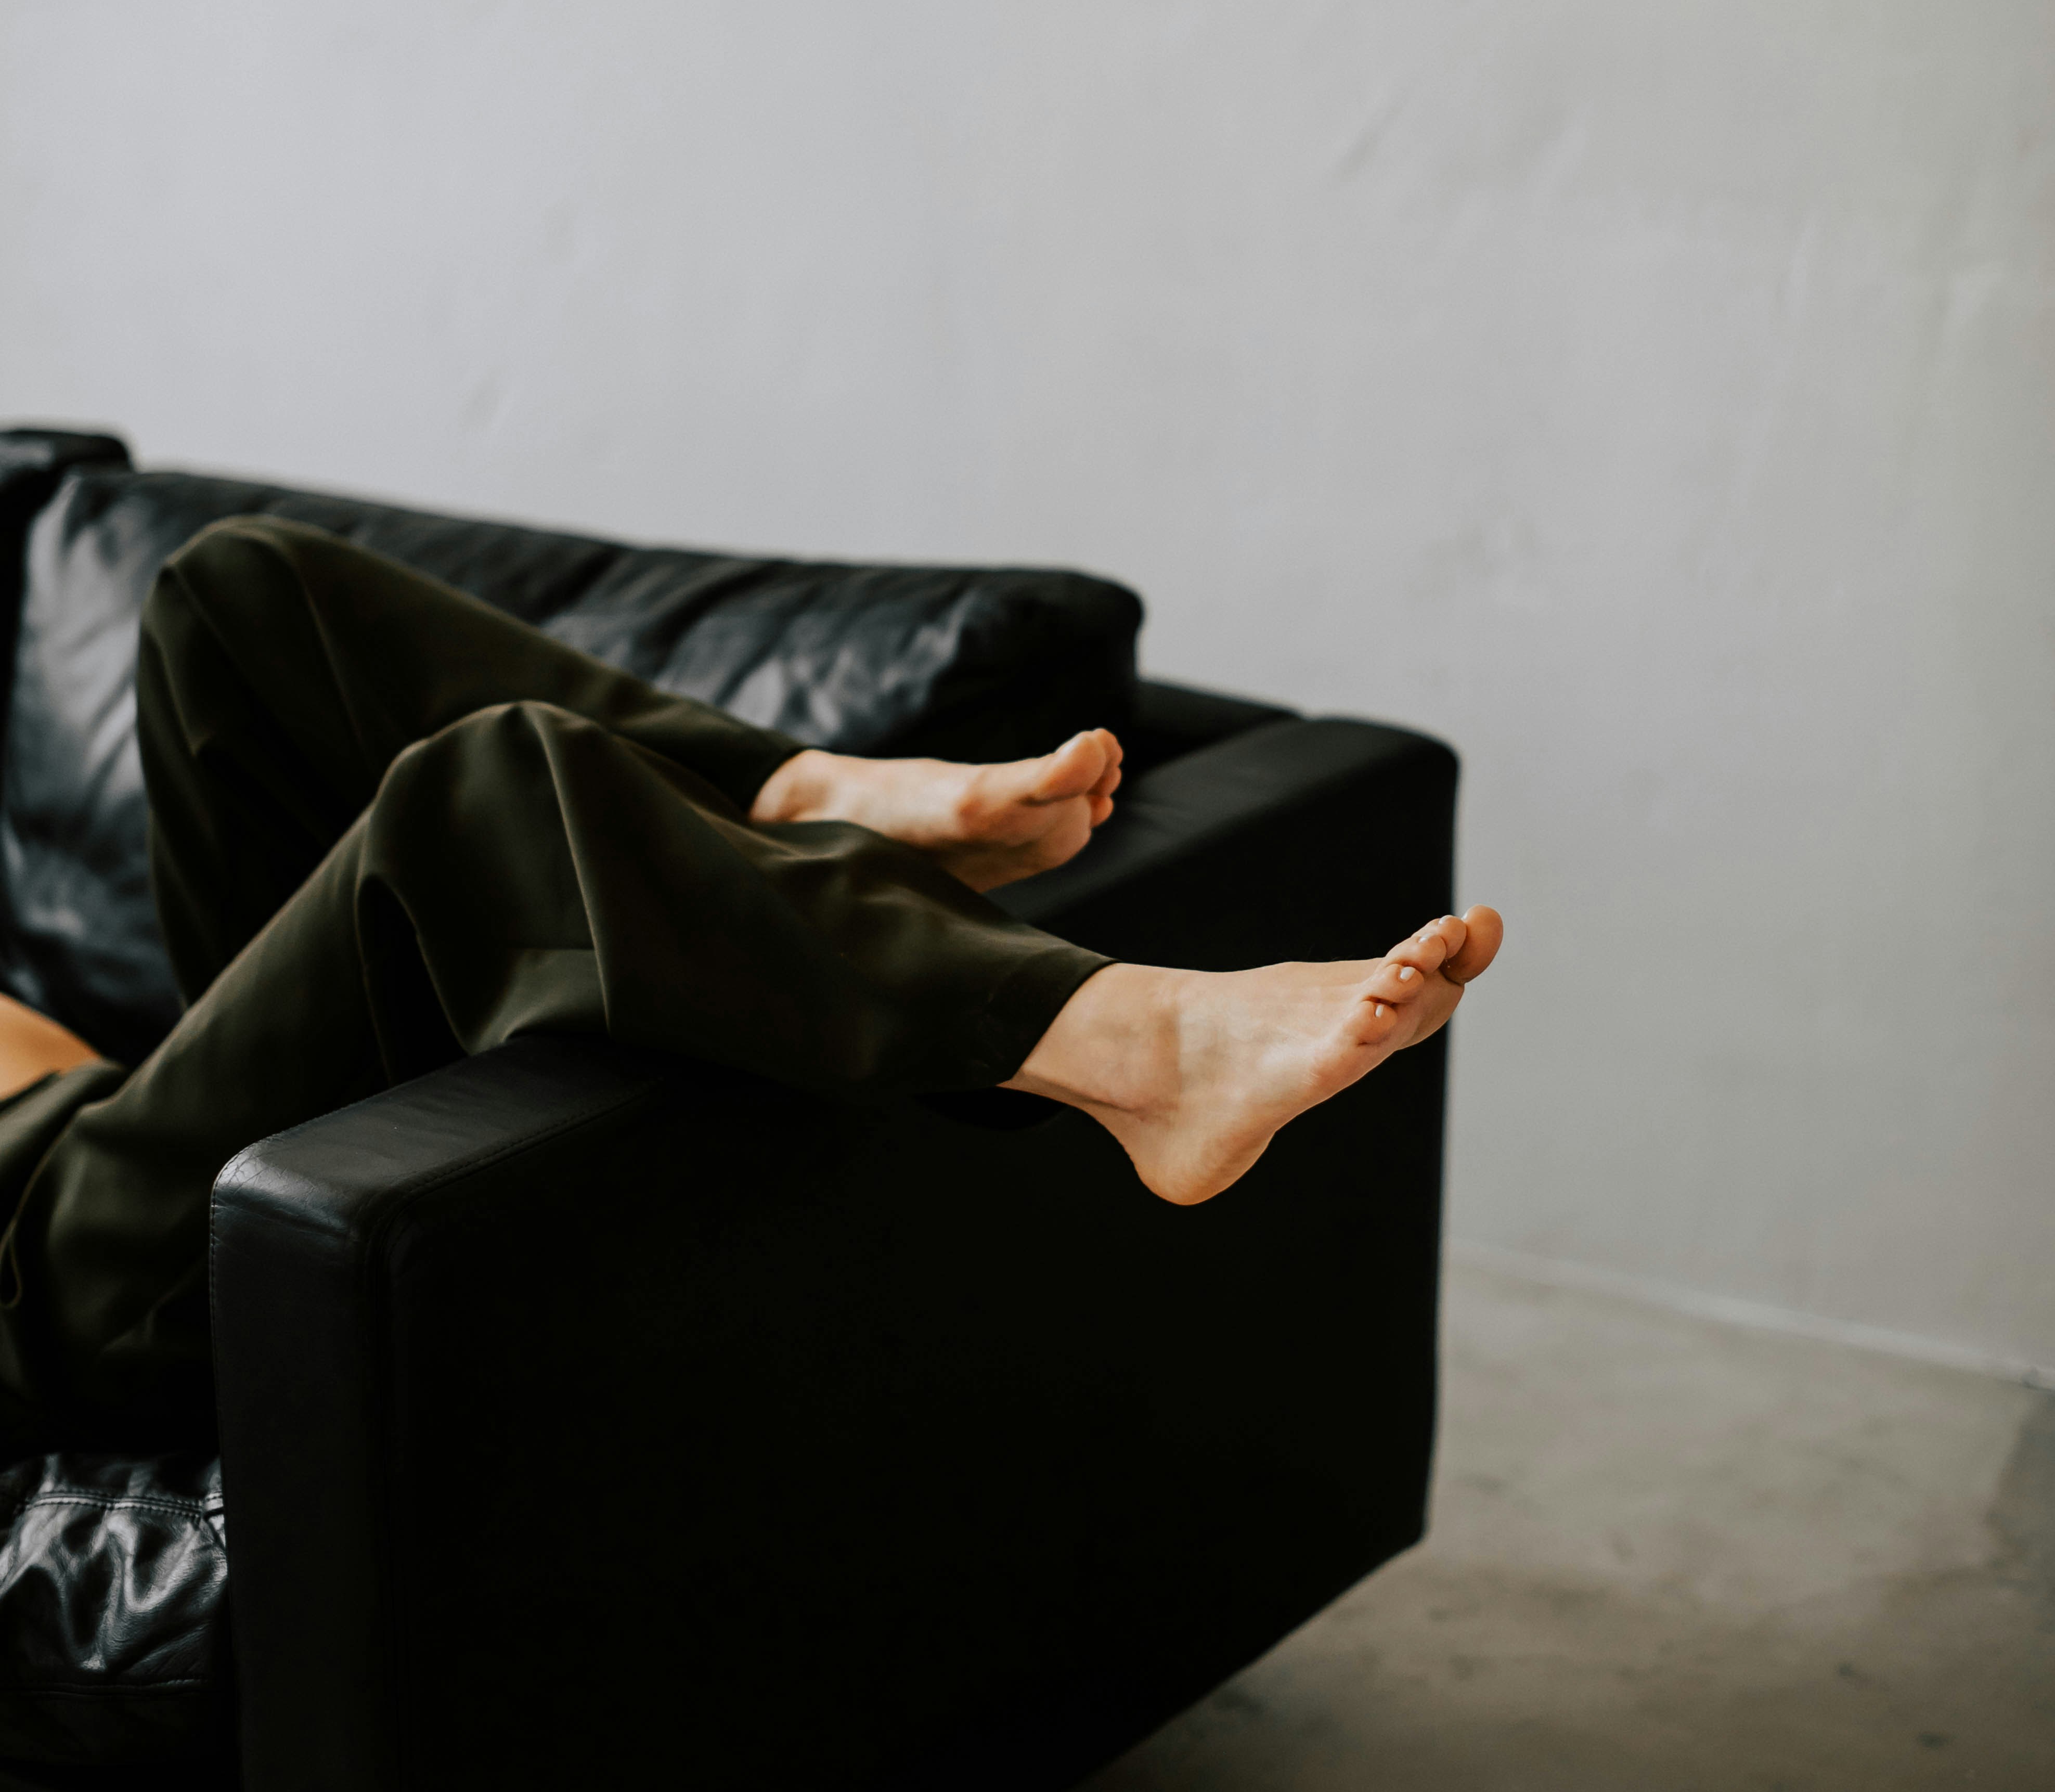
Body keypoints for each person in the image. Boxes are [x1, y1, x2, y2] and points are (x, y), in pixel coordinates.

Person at [0, 518, 1501, 1458]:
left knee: (241, 595)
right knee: (483, 790)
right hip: (55, 1297)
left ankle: (802, 792)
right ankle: (1132, 1046)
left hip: (111, 1146)